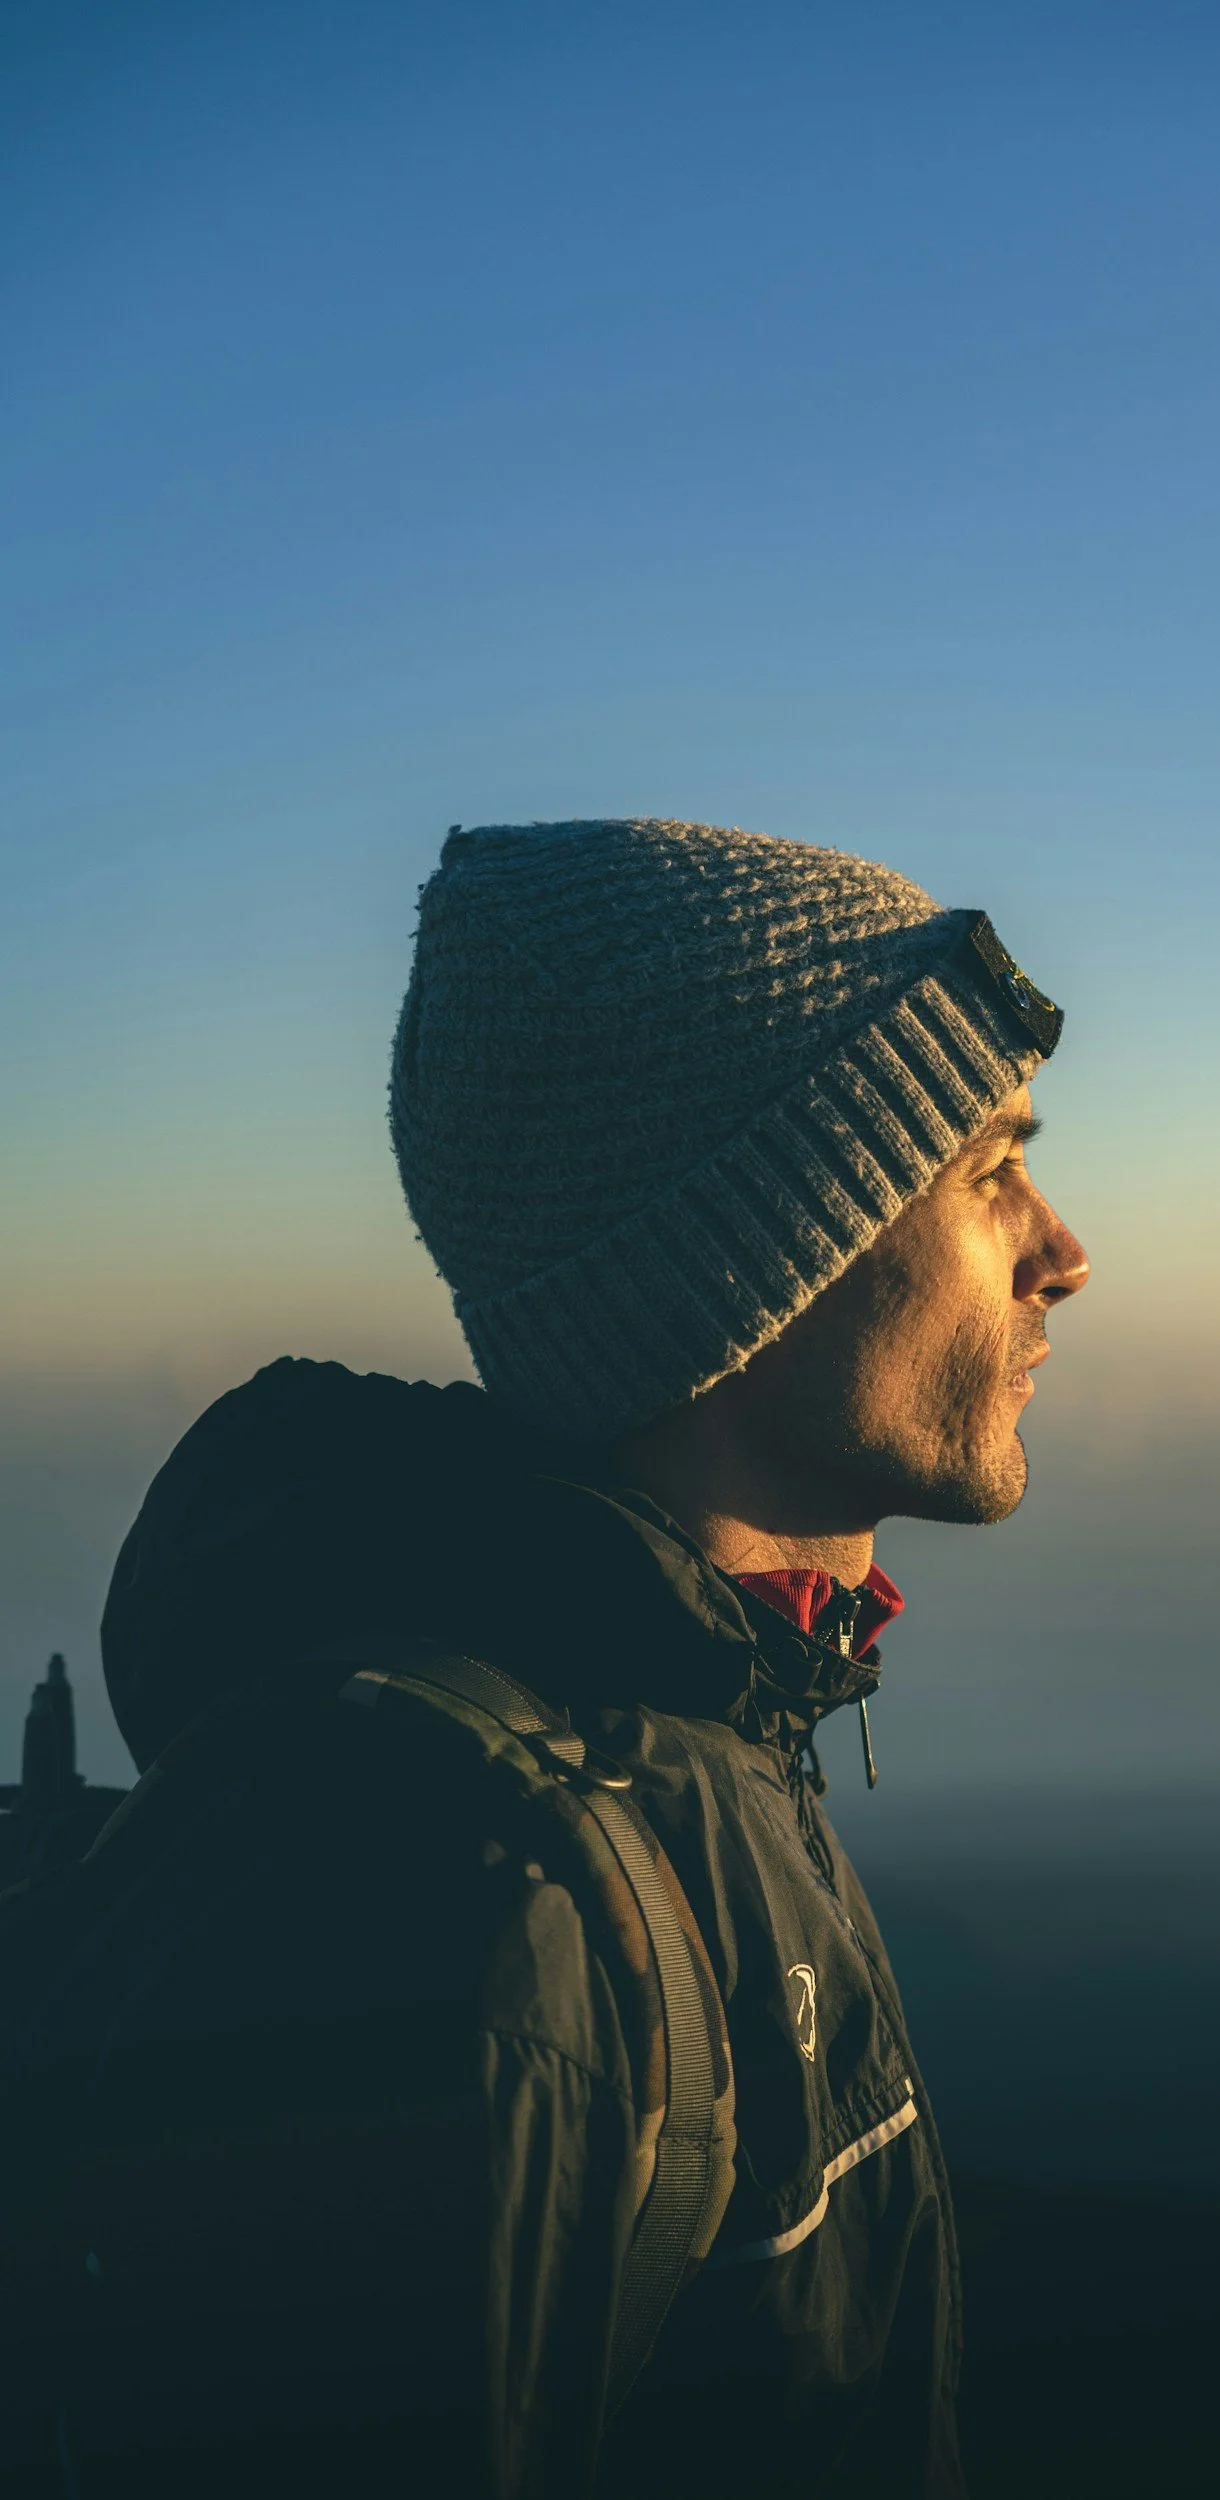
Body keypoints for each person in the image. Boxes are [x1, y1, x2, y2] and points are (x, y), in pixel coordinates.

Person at [19, 821, 1088, 2499]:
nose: (1063, 1251)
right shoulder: (468, 1899)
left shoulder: (709, 1733)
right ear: (759, 1266)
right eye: (985, 1171)